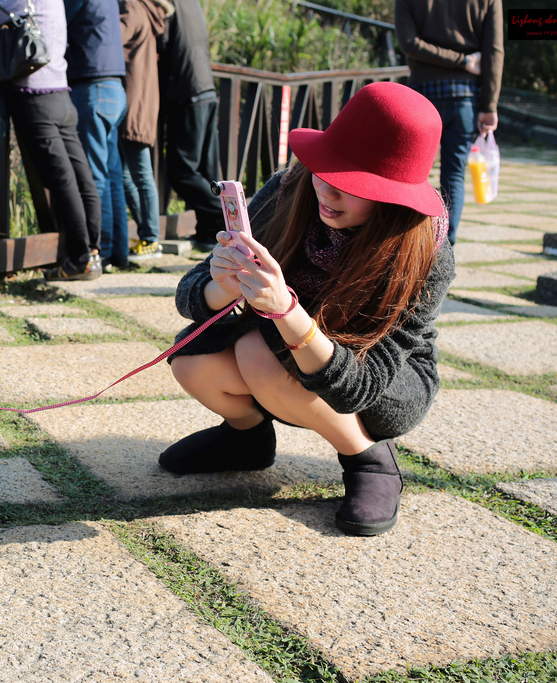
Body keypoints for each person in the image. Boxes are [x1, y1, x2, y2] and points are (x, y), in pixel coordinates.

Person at [161, 82, 455, 537]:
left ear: (392, 197)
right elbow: (190, 295)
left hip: (383, 378)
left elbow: (363, 385)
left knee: (258, 352)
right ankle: (246, 439)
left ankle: (367, 458)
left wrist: (285, 310)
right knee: (192, 361)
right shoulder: (290, 188)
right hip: (281, 346)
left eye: (351, 185)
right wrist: (225, 286)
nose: (328, 192)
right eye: (326, 170)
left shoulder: (423, 250)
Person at [0, 0, 103, 281]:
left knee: (62, 181)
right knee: (82, 177)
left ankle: (80, 260)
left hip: (34, 95)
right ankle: (92, 253)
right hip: (62, 93)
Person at [395, 0, 504, 245]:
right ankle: (445, 246)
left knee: (413, 173)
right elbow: (494, 51)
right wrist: (488, 105)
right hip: (464, 97)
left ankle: (409, 244)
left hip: (422, 96)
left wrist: (459, 60)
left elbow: (409, 43)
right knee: (454, 175)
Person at [64, 0, 130, 270]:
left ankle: (101, 251)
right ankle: (119, 253)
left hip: (92, 85)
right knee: (112, 176)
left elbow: (57, 22)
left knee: (96, 176)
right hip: (115, 85)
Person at [157, 0, 223, 249]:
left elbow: (159, 43)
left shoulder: (167, 4)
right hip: (205, 88)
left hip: (185, 91)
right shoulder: (191, 4)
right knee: (206, 170)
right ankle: (210, 231)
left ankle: (229, 213)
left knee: (181, 172)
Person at [118, 0, 174, 262]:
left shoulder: (132, 7)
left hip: (132, 101)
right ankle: (147, 236)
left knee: (138, 173)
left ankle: (150, 239)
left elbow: (114, 39)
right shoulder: (149, 12)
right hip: (142, 100)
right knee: (131, 174)